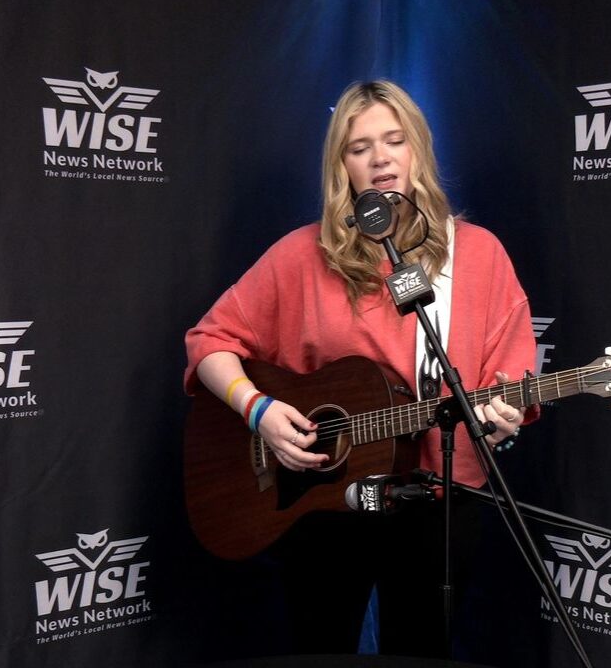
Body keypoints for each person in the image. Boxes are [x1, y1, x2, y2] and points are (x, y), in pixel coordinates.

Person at [184, 80, 539, 658]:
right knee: (320, 647)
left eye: (394, 140)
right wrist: (261, 410)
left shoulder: (478, 254)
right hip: (324, 495)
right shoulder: (302, 255)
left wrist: (505, 411)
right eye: (360, 147)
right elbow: (209, 341)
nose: (380, 158)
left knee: (421, 650)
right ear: (341, 165)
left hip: (440, 500)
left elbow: (512, 378)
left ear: (417, 149)